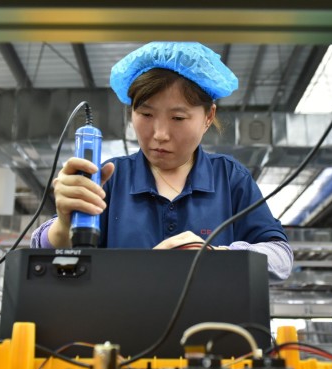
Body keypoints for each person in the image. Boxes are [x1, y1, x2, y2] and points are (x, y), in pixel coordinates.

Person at [31, 42, 293, 280]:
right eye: (145, 113)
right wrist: (64, 224)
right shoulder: (111, 177)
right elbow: (46, 254)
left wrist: (217, 255)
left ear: (208, 116)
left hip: (216, 329)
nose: (160, 134)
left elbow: (281, 257)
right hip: (123, 329)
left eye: (178, 118)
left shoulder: (230, 178)